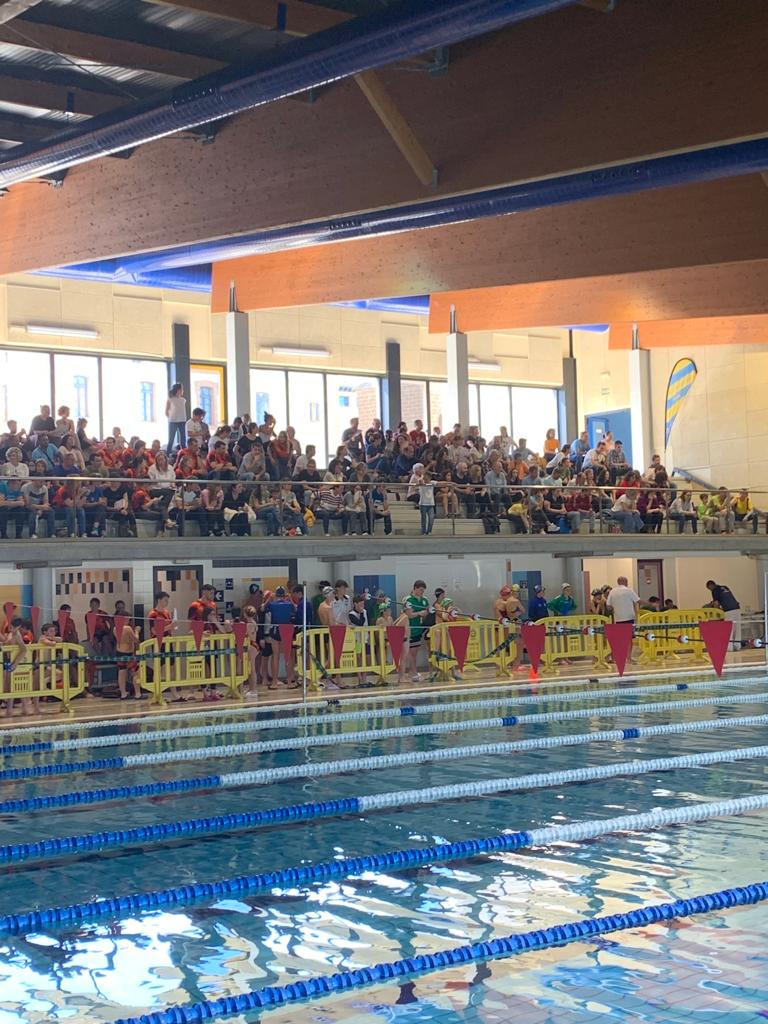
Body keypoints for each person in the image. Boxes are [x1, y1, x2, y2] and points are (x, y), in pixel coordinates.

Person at [265, 586, 297, 689]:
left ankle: (274, 682)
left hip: (275, 629)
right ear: (284, 595)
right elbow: (295, 609)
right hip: (286, 630)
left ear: (276, 595)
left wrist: (269, 599)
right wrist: (290, 599)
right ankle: (289, 682)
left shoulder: (272, 605)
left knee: (275, 656)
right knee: (287, 655)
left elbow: (262, 608)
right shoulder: (289, 605)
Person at [399, 580, 430, 683]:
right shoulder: (407, 600)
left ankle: (411, 671)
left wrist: (426, 613)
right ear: (415, 588)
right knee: (410, 653)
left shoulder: (424, 600)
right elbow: (408, 614)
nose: (422, 592)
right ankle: (414, 672)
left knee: (414, 653)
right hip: (409, 629)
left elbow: (427, 612)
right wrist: (419, 613)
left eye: (423, 590)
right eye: (420, 590)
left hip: (418, 629)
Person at [705, 579, 741, 650]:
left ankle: (729, 648)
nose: (710, 590)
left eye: (709, 589)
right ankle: (737, 646)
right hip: (737, 609)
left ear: (711, 586)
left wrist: (718, 611)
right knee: (737, 629)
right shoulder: (725, 587)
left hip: (728, 611)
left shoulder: (715, 590)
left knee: (729, 629)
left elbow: (716, 604)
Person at [116, 617, 141, 700]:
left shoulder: (115, 628)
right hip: (128, 654)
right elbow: (136, 640)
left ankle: (123, 694)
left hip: (119, 652)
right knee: (136, 672)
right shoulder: (127, 628)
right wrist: (137, 631)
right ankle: (138, 694)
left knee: (121, 673)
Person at [165, 383, 187, 452]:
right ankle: (168, 454)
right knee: (171, 439)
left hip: (182, 421)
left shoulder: (183, 400)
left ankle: (183, 453)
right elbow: (166, 411)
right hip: (173, 421)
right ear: (179, 390)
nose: (183, 391)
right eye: (182, 389)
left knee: (183, 440)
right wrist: (171, 417)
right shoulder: (170, 399)